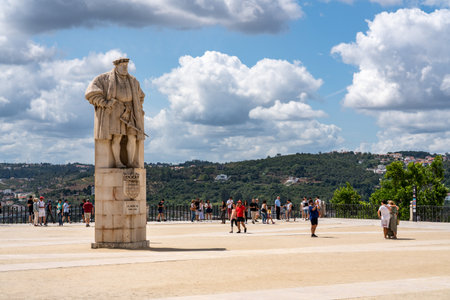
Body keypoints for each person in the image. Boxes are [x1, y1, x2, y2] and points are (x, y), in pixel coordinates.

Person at [85, 57, 146, 168]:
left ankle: (131, 163)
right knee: (117, 137)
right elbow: (90, 93)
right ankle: (117, 162)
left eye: (126, 66)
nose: (125, 68)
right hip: (115, 111)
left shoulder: (133, 80)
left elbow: (141, 95)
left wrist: (138, 107)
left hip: (130, 111)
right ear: (116, 66)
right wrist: (104, 103)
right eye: (122, 66)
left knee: (132, 137)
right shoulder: (104, 78)